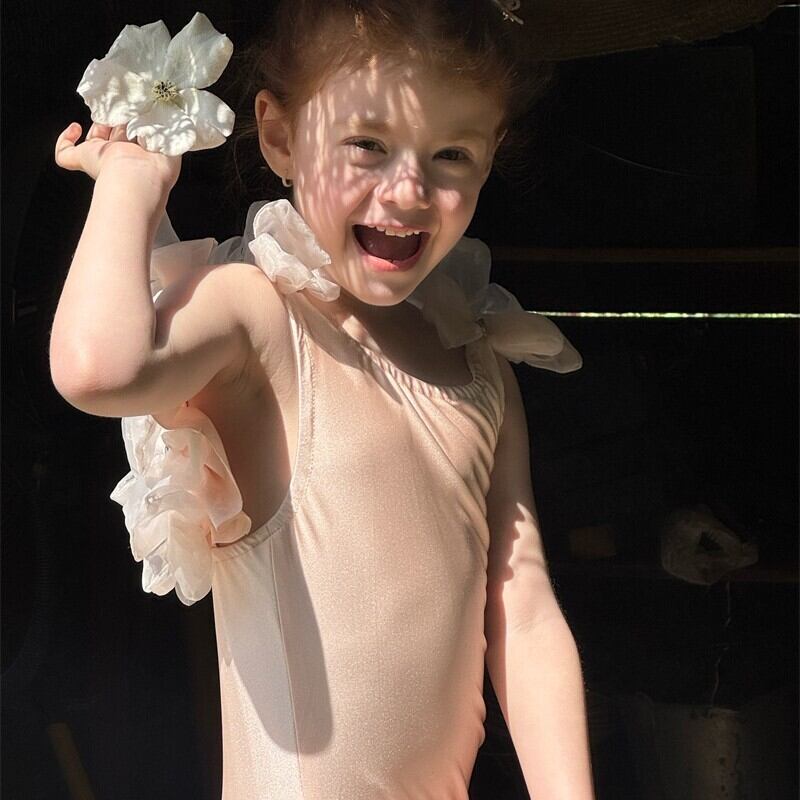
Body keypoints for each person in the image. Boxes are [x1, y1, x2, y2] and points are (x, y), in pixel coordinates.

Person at [50, 1, 594, 797]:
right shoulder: (261, 318)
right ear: (279, 138)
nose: (409, 188)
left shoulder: (479, 367)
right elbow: (98, 370)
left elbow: (526, 610)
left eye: (451, 154)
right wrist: (132, 185)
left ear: (492, 153)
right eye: (368, 145)